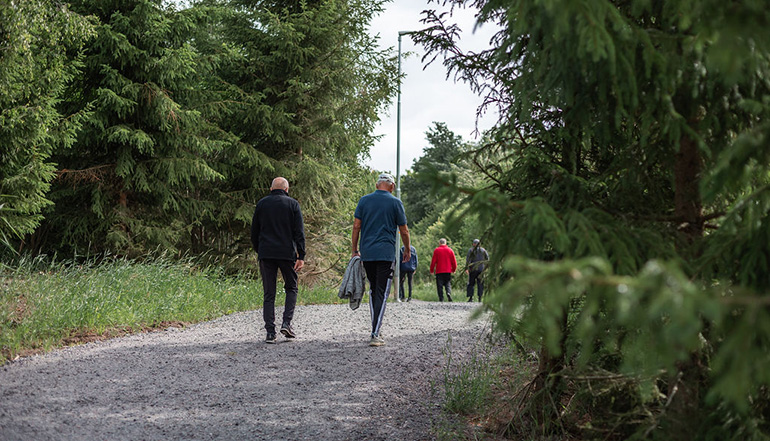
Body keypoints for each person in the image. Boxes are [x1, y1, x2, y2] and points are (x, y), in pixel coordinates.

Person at [352, 173, 411, 347]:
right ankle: (375, 333)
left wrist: (354, 250)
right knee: (382, 293)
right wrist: (407, 249)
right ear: (392, 186)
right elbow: (404, 230)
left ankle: (375, 328)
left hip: (367, 253)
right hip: (385, 254)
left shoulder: (364, 201)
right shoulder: (395, 202)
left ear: (377, 185)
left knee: (374, 291)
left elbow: (356, 226)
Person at [251, 177, 305, 344]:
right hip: (287, 253)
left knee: (269, 293)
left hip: (266, 253)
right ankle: (286, 323)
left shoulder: (261, 204)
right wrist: (301, 256)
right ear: (287, 189)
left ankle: (270, 332)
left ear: (270, 188)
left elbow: (254, 231)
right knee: (291, 287)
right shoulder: (293, 205)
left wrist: (260, 250)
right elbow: (299, 232)